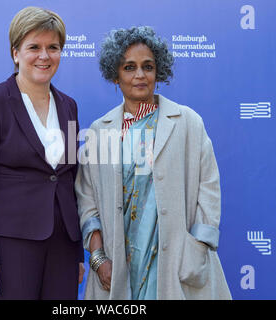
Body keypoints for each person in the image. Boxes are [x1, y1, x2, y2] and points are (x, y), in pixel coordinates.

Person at [75, 26, 231, 299]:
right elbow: (87, 200)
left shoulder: (187, 122)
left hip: (178, 265)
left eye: (148, 66)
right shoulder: (100, 131)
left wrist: (197, 249)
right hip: (119, 268)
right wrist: (99, 258)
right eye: (129, 67)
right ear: (115, 75)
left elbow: (209, 189)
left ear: (159, 72)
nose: (139, 75)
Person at [0, 6, 84, 300]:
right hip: (12, 247)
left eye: (53, 47)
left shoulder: (69, 106)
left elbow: (71, 180)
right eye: (34, 47)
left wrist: (79, 251)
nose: (44, 56)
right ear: (15, 52)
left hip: (64, 247)